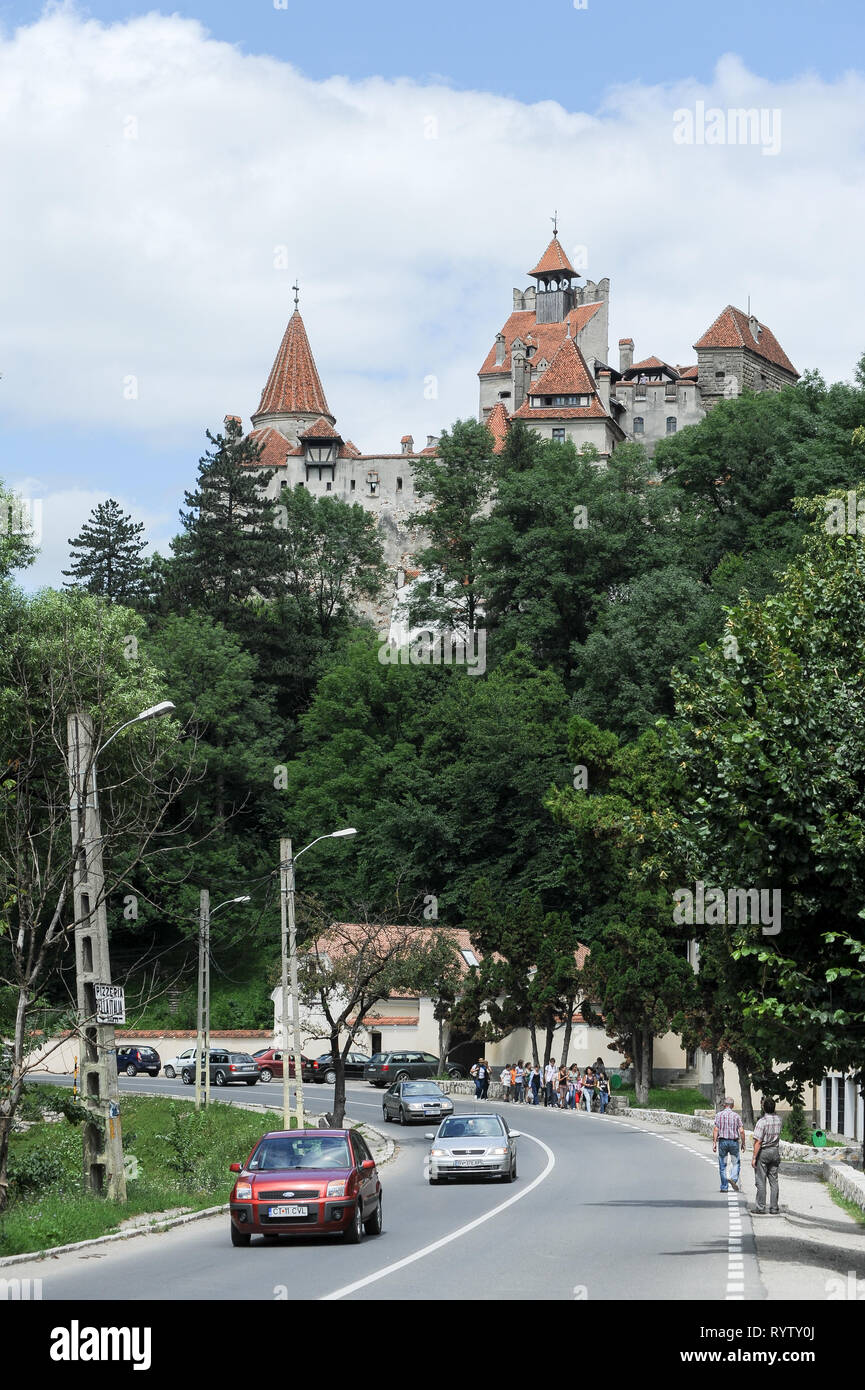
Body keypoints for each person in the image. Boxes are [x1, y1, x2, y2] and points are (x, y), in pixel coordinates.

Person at [751, 1097, 782, 1213]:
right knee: (774, 1181)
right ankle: (774, 1207)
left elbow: (758, 1141)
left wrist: (754, 1157)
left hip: (764, 1152)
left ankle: (760, 1207)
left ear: (764, 1107)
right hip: (775, 1150)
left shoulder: (762, 1122)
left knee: (761, 1179)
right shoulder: (779, 1120)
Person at [712, 1096, 746, 1192]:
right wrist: (743, 1143)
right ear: (733, 1106)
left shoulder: (719, 1115)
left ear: (724, 1105)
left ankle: (724, 1187)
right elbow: (742, 1131)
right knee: (735, 1163)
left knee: (722, 1165)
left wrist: (714, 1143)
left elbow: (716, 1129)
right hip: (734, 1142)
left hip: (722, 1142)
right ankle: (733, 1179)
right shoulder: (736, 1116)